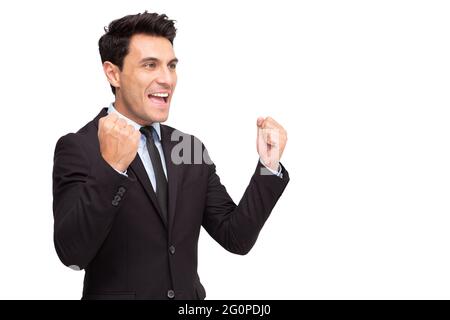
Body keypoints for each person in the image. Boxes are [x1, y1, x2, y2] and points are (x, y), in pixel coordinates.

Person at [52, 11, 289, 300]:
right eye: (150, 65)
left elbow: (235, 236)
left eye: (171, 66)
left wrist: (268, 165)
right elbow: (72, 254)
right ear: (114, 73)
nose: (167, 79)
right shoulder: (80, 147)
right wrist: (113, 168)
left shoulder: (188, 147)